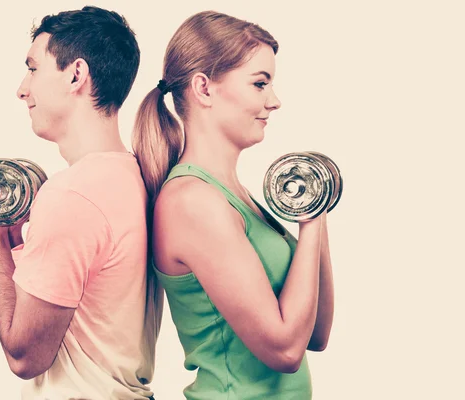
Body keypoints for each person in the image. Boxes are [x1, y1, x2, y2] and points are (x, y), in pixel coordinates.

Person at [132, 10, 334, 400]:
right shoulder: (192, 202)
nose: (274, 101)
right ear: (204, 89)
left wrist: (315, 210)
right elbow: (285, 350)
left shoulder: (239, 198)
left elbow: (317, 335)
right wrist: (308, 228)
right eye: (260, 83)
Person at [0, 6, 161, 400]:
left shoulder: (72, 195)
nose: (22, 89)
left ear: (76, 74)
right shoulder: (135, 177)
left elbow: (24, 356)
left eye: (33, 68)